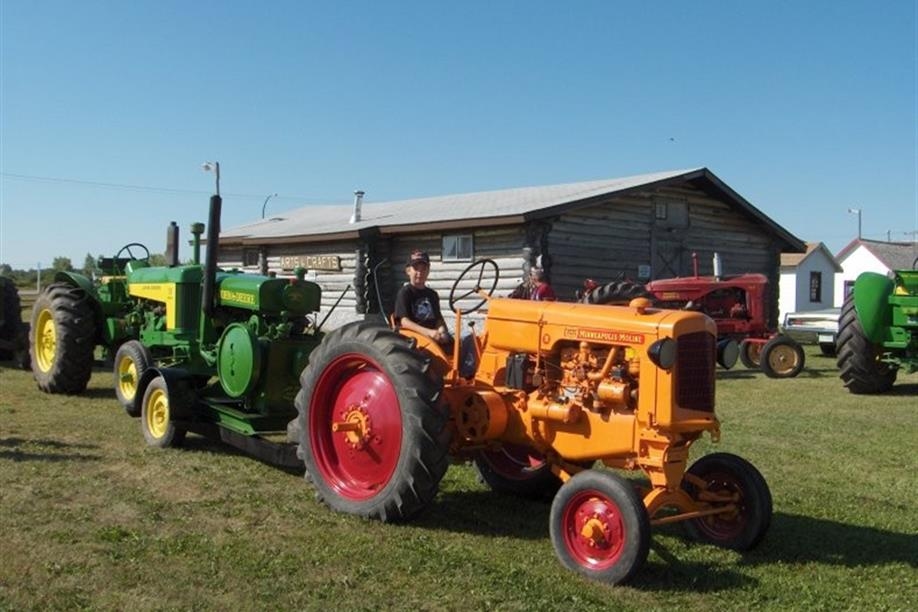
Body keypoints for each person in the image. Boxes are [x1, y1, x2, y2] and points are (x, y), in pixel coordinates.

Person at [394, 249, 451, 345]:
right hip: (414, 340)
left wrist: (442, 331)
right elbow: (402, 321)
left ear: (428, 270)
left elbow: (438, 319)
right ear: (408, 270)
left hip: (434, 337)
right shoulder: (404, 293)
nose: (420, 273)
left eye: (423, 269)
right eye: (416, 268)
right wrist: (428, 332)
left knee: (465, 341)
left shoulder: (432, 294)